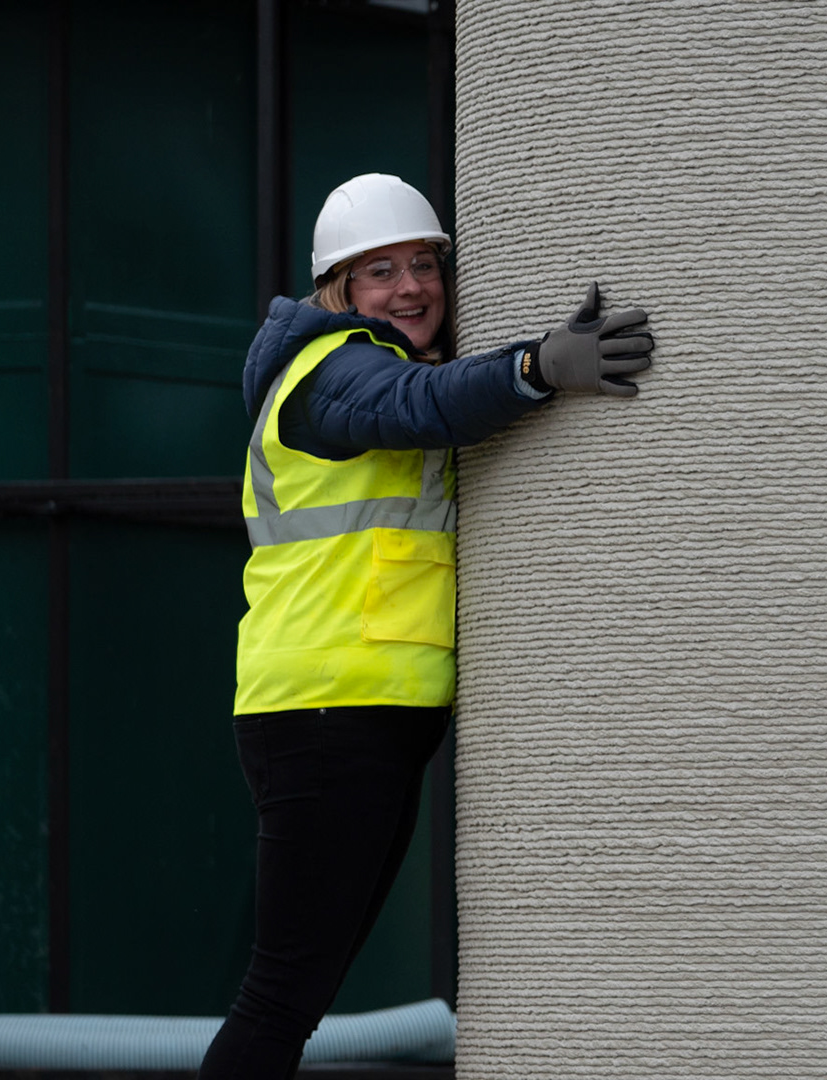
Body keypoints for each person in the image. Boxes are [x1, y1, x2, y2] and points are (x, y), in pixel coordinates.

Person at [199, 173, 652, 1079]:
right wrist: (534, 367)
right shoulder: (335, 368)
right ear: (339, 289)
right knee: (281, 998)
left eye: (424, 265)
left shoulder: (361, 363)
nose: (411, 287)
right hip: (327, 713)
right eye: (380, 271)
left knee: (295, 998)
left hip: (355, 715)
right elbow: (418, 406)